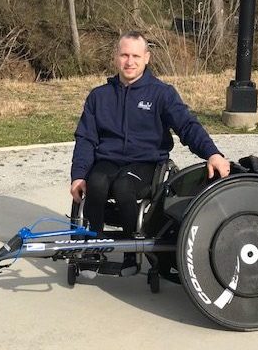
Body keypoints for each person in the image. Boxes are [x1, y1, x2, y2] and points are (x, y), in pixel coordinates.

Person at [70, 31, 230, 275]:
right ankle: (95, 247)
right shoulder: (98, 97)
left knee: (125, 187)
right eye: (124, 55)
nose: (129, 61)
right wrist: (78, 175)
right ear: (116, 58)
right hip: (108, 160)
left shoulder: (161, 94)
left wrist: (212, 154)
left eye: (135, 55)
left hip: (145, 163)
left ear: (147, 58)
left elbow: (187, 126)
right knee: (97, 182)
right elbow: (86, 139)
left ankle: (131, 252)